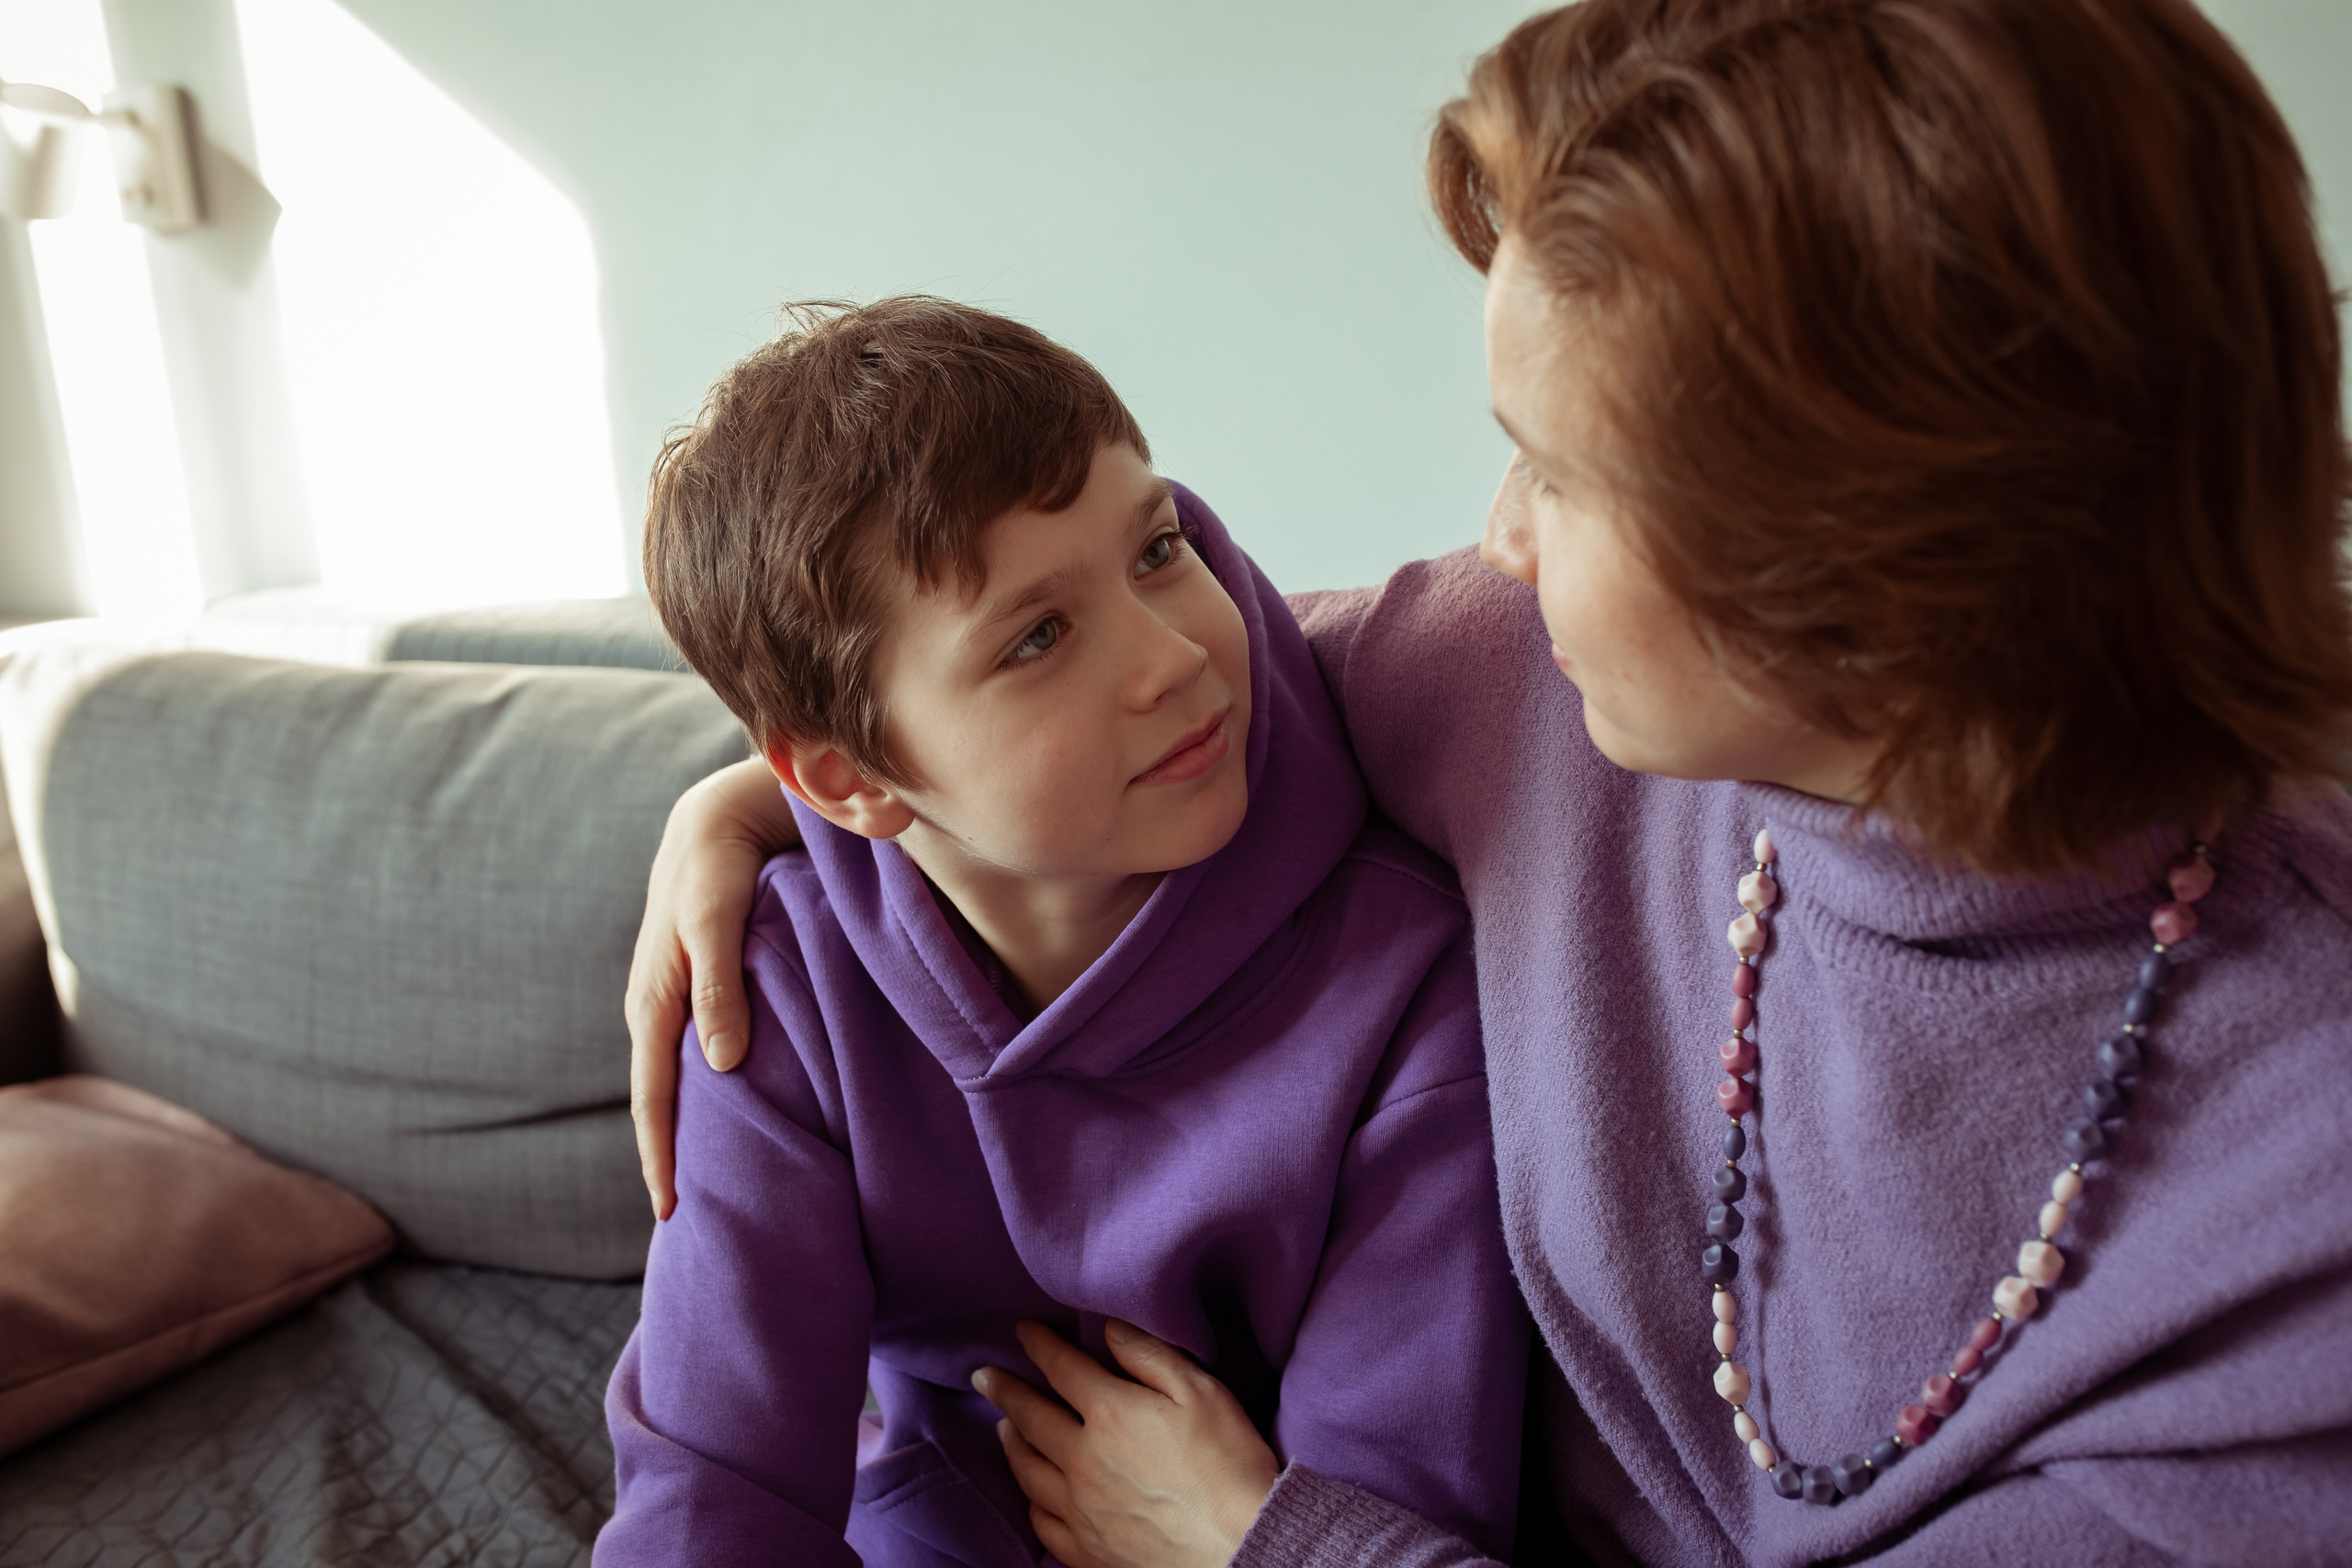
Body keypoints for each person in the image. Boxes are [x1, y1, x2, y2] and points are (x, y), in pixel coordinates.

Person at [624, 0, 2352, 1562]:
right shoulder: (1520, 682)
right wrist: (770, 813)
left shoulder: (2292, 1203)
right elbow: (1091, 695)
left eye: (1559, 473)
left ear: (1882, 565)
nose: (1499, 541)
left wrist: (1273, 1547)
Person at [594, 299, 1532, 1568]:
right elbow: (714, 1488)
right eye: (1038, 637)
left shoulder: (1403, 980)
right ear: (850, 778)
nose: (1175, 659)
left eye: (1157, 549)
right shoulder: (785, 986)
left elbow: (1408, 1497)